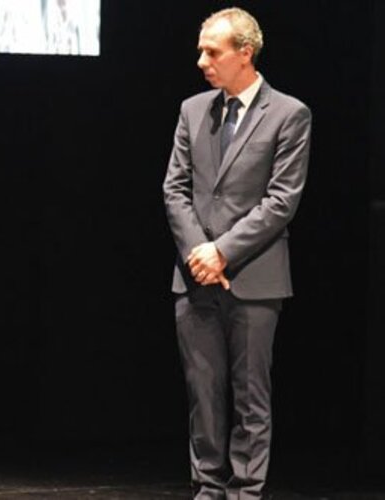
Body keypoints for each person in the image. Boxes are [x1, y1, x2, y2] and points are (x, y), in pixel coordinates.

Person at [163, 8, 311, 499]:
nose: (201, 61)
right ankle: (207, 489)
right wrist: (200, 254)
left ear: (245, 53)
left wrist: (223, 252)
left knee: (251, 396)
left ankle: (247, 492)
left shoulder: (289, 114)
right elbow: (174, 190)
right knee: (202, 395)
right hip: (195, 276)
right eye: (201, 50)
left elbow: (281, 200)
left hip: (254, 276)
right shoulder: (193, 110)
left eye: (212, 52)